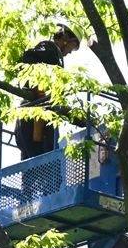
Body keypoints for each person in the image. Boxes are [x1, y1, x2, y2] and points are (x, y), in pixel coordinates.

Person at [14, 24, 80, 160]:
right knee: (51, 165)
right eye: (71, 48)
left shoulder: (53, 54)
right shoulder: (50, 48)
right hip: (35, 118)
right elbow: (26, 58)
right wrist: (37, 86)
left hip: (28, 119)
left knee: (32, 169)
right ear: (66, 39)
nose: (69, 53)